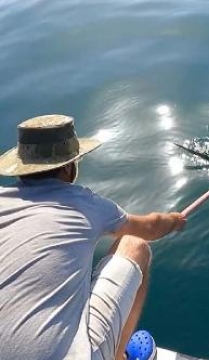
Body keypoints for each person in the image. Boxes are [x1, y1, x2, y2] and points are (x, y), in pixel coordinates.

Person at [0, 115, 186, 360]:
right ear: (69, 166)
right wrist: (174, 221)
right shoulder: (84, 203)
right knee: (134, 246)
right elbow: (150, 229)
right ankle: (118, 357)